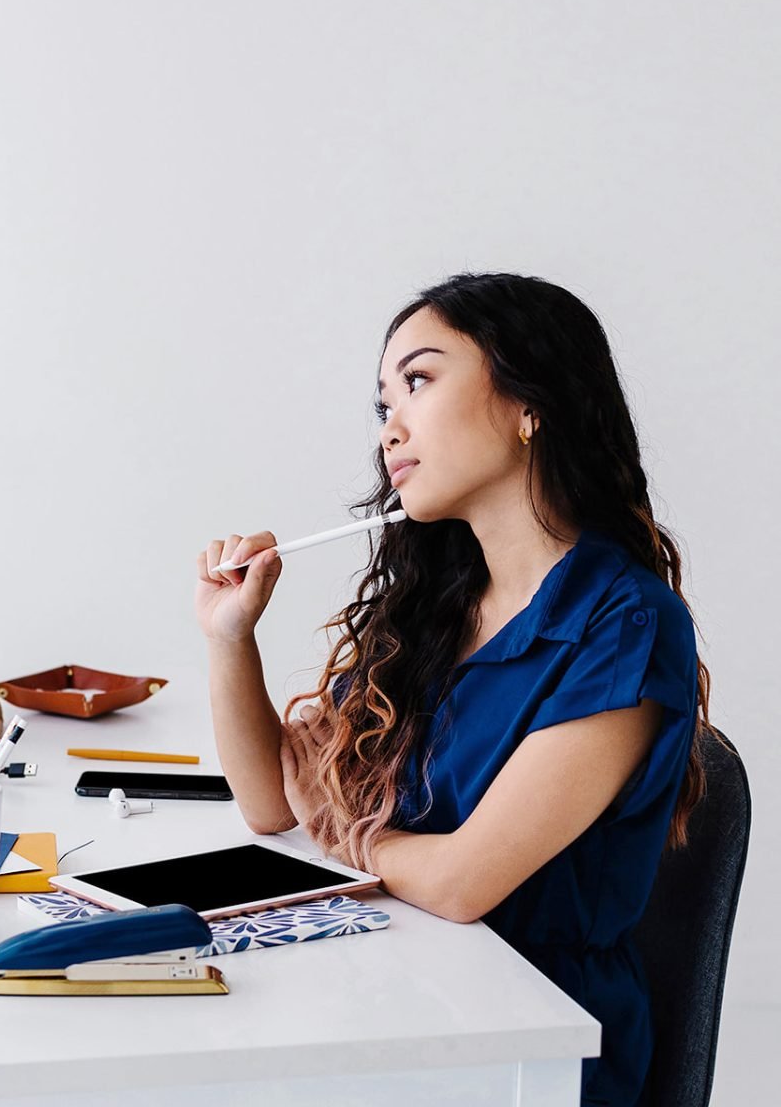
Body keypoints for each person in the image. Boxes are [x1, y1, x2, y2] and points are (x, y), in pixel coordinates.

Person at [195, 271, 711, 1107]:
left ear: (527, 405)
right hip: (404, 994)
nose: (390, 429)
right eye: (381, 404)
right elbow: (273, 802)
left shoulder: (624, 625)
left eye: (420, 380)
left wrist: (354, 839)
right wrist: (230, 639)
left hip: (528, 1047)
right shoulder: (439, 610)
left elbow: (465, 882)